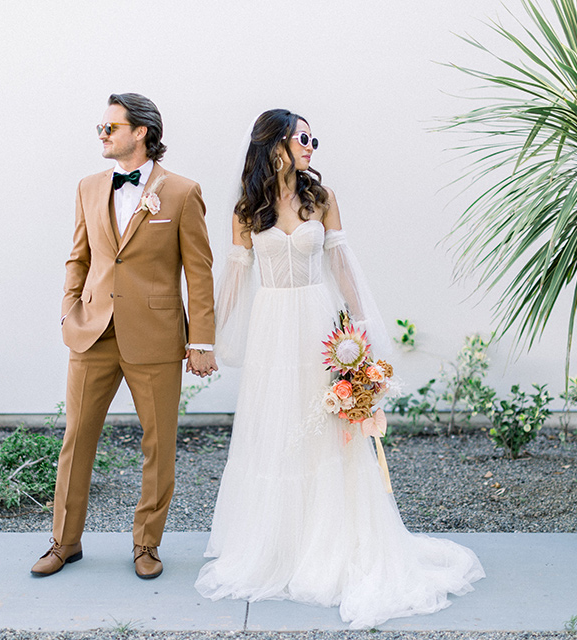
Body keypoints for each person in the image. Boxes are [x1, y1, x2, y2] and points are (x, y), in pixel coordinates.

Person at [195, 109, 484, 628]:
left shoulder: (320, 200)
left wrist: (365, 334)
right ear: (275, 143)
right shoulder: (246, 211)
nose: (311, 146)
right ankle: (277, 547)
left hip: (315, 325)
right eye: (303, 138)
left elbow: (343, 266)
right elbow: (234, 282)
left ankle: (327, 545)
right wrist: (208, 340)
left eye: (314, 139)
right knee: (276, 432)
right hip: (270, 330)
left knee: (324, 433)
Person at [32, 93, 217, 580]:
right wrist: (69, 312)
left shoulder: (181, 191)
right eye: (101, 127)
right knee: (76, 439)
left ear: (141, 132)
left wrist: (202, 340)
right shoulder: (89, 187)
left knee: (159, 445)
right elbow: (80, 257)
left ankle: (147, 545)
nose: (102, 134)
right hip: (92, 333)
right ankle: (64, 542)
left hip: (154, 336)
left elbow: (199, 272)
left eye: (111, 127)